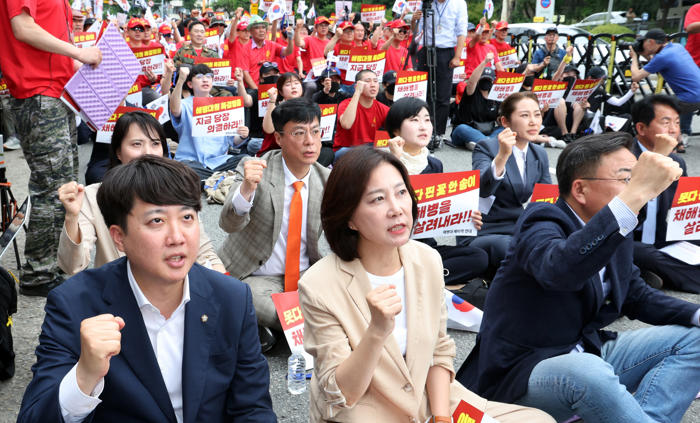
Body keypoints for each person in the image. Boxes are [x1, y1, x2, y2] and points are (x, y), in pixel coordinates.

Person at [456, 132, 700, 423]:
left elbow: (636, 294)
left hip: (587, 351)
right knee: (587, 370)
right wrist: (631, 199)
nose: (636, 188)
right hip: (523, 370)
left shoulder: (616, 226)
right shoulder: (542, 219)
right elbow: (560, 270)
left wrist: (697, 313)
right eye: (626, 179)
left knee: (695, 339)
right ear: (580, 190)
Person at [298, 145, 554, 422]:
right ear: (349, 219)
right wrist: (376, 332)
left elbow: (439, 350)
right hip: (366, 412)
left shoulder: (426, 259)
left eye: (401, 192)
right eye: (376, 200)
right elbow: (340, 393)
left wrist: (442, 417)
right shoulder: (319, 284)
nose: (396, 209)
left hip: (433, 400)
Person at [18, 155, 276, 423]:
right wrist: (84, 375)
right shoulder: (75, 304)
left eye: (187, 217)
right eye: (157, 221)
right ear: (119, 237)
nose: (177, 237)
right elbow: (34, 416)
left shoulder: (231, 297)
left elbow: (253, 408)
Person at [0, 0, 102, 296]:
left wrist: (79, 66)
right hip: (39, 93)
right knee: (52, 187)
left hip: (56, 92)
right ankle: (39, 272)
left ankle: (56, 265)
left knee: (66, 185)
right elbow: (22, 28)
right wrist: (78, 52)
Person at [219, 98, 330, 351]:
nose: (310, 141)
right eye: (299, 133)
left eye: (315, 131)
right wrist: (247, 189)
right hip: (256, 275)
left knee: (344, 296)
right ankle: (306, 332)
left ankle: (271, 332)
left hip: (304, 274)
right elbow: (228, 223)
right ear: (279, 139)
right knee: (245, 299)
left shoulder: (328, 179)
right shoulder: (255, 170)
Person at [57, 111, 225, 275]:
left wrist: (221, 285)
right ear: (118, 152)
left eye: (155, 143)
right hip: (120, 296)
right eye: (137, 144)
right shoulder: (94, 196)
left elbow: (203, 252)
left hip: (173, 293)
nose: (148, 152)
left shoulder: (177, 188)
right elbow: (73, 266)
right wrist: (71, 217)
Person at [386, 98, 489, 304]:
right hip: (392, 250)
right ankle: (431, 287)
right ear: (396, 130)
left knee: (479, 257)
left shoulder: (434, 163)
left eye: (427, 119)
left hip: (425, 249)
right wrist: (396, 162)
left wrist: (464, 216)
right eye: (414, 120)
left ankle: (420, 285)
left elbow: (440, 207)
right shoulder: (383, 162)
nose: (423, 126)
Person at [458, 92, 551, 272]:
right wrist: (502, 156)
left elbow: (545, 200)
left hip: (517, 226)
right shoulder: (486, 147)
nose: (533, 121)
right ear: (505, 122)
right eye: (525, 115)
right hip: (484, 228)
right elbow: (483, 189)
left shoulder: (539, 154)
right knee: (513, 247)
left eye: (537, 114)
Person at [630, 95, 700, 293]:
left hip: (664, 239)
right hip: (631, 241)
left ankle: (649, 275)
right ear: (641, 128)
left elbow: (682, 210)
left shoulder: (678, 161)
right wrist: (659, 156)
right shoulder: (624, 158)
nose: (674, 130)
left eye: (677, 122)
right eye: (665, 122)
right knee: (645, 254)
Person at [170, 64, 254, 180]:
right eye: (199, 77)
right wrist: (181, 80)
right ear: (190, 84)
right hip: (191, 162)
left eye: (209, 76)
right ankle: (215, 179)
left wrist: (243, 135)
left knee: (246, 160)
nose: (205, 79)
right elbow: (174, 109)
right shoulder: (184, 105)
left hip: (218, 162)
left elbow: (234, 141)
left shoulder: (224, 105)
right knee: (186, 170)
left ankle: (210, 179)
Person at [630, 28, 700, 151]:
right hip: (694, 96)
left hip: (690, 98)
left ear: (651, 42)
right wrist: (646, 54)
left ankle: (662, 145)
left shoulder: (662, 57)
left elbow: (636, 76)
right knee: (672, 109)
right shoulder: (677, 47)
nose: (642, 45)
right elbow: (657, 65)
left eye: (644, 42)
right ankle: (679, 144)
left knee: (652, 108)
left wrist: (634, 57)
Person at [411, 0, 468, 145]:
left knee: (442, 95)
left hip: (446, 51)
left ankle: (438, 133)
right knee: (426, 94)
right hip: (426, 49)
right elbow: (416, 31)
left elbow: (462, 32)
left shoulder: (458, 3)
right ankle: (424, 131)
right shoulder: (426, 2)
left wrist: (457, 56)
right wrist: (414, 20)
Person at [334, 69, 389, 160]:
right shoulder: (345, 104)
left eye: (375, 81)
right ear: (357, 86)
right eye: (367, 81)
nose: (373, 85)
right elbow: (346, 124)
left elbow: (395, 130)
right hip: (347, 150)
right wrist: (357, 92)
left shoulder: (382, 108)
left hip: (371, 150)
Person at [450, 53, 502, 150]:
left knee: (506, 129)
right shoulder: (471, 92)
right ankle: (490, 144)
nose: (485, 82)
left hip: (487, 132)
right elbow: (471, 82)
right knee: (462, 128)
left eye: (488, 80)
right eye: (483, 80)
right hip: (468, 130)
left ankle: (482, 143)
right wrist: (485, 62)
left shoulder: (495, 97)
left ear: (492, 82)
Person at [258, 72, 305, 155]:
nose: (293, 87)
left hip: (300, 149)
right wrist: (272, 101)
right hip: (274, 151)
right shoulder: (275, 107)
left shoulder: (308, 107)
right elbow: (268, 130)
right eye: (288, 84)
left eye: (296, 83)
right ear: (281, 91)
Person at [243, 15, 293, 90]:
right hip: (253, 88)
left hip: (271, 87)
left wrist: (290, 38)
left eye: (263, 27)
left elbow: (288, 52)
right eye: (257, 28)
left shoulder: (271, 44)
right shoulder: (245, 48)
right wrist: (257, 91)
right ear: (250, 31)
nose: (261, 30)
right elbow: (245, 74)